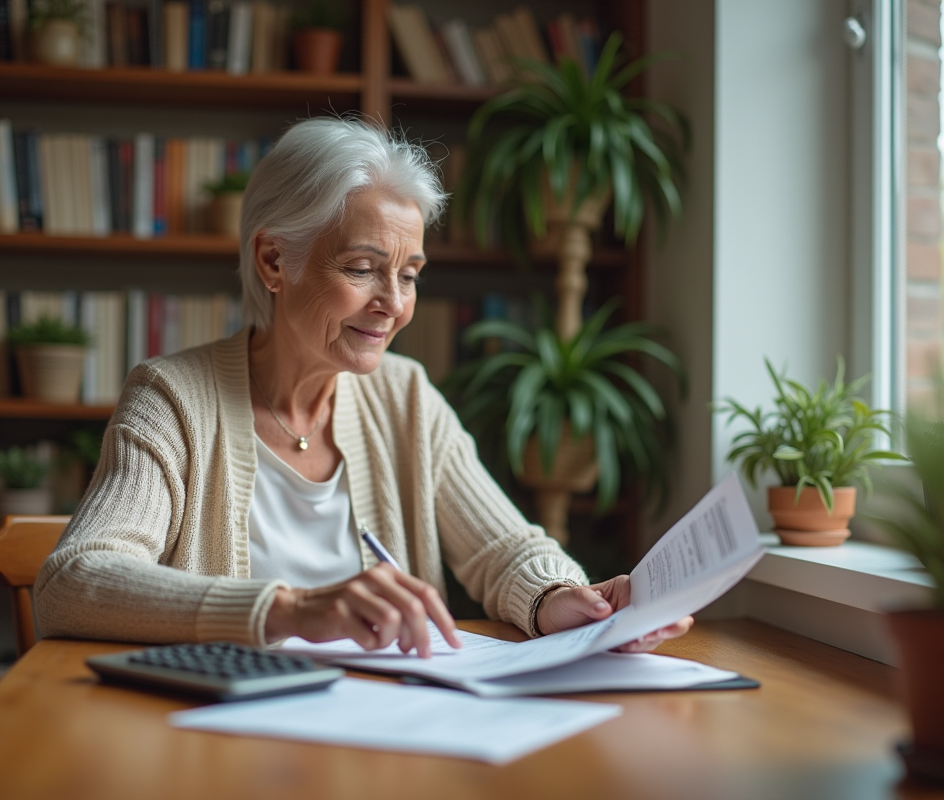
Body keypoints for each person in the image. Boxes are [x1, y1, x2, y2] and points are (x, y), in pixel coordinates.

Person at [35, 117, 692, 656]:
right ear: (273, 260)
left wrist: (556, 599)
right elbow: (73, 581)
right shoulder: (173, 399)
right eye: (362, 268)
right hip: (217, 740)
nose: (393, 304)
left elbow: (505, 549)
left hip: (384, 736)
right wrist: (290, 609)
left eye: (409, 274)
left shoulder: (405, 397)